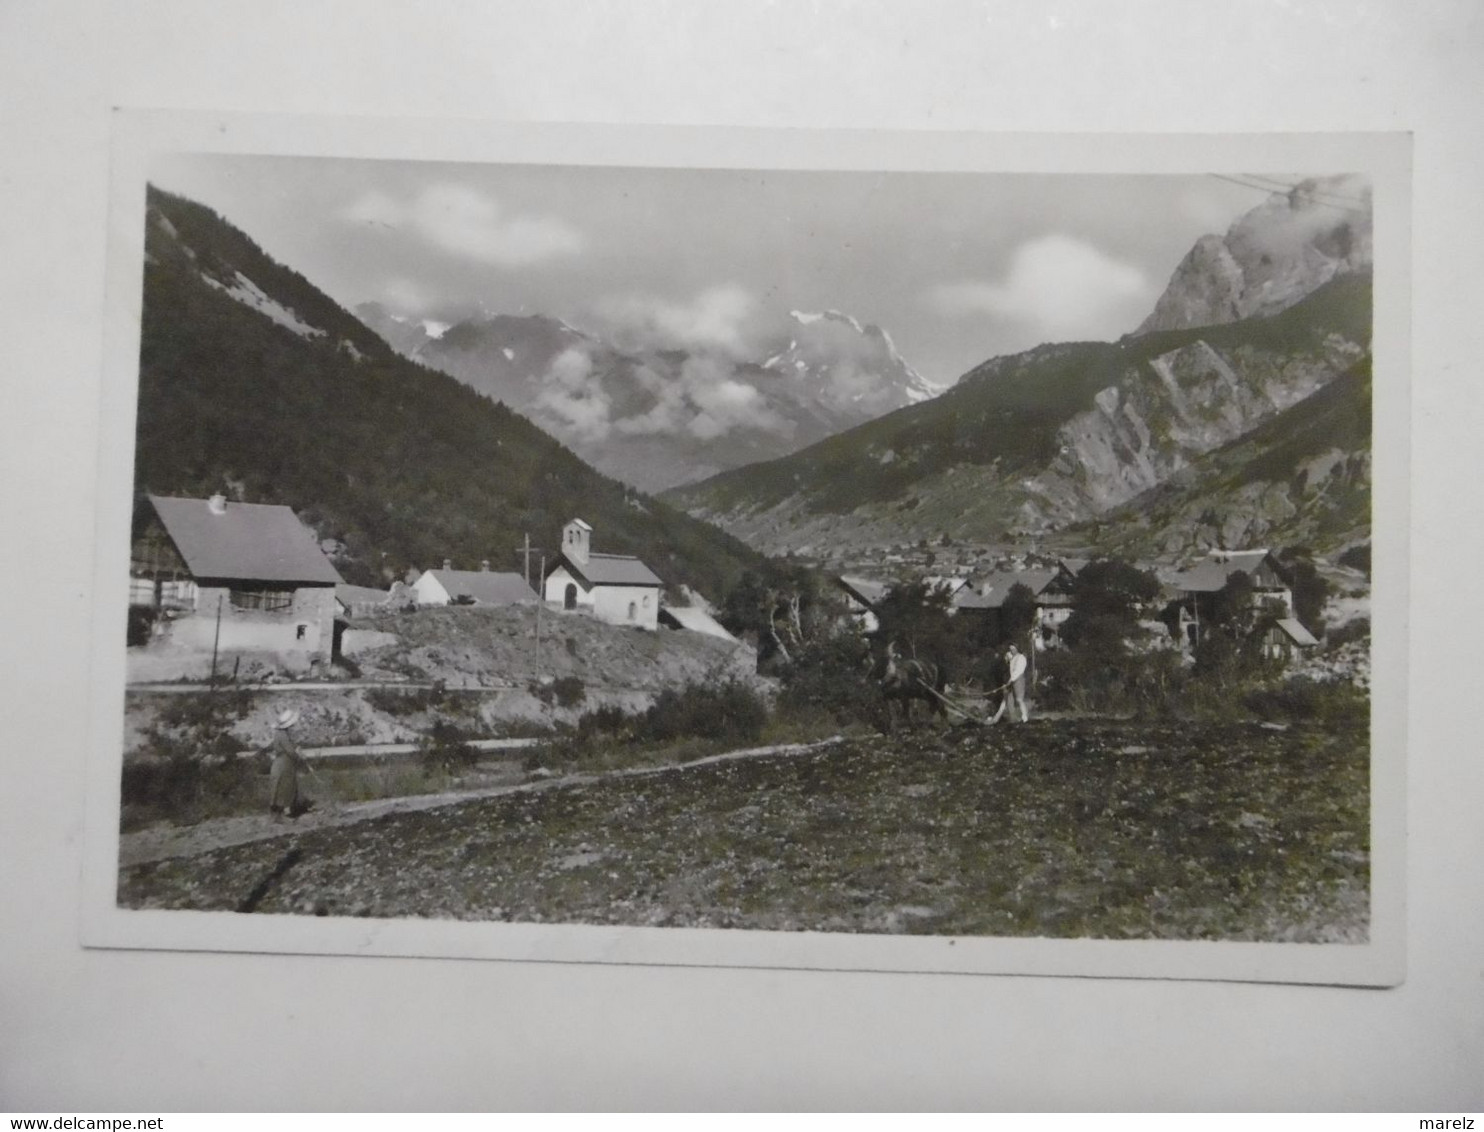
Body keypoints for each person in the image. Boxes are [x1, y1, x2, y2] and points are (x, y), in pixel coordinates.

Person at [267, 708, 309, 821]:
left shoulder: (279, 734)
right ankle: (285, 813)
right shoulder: (283, 735)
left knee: (277, 786)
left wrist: (296, 748)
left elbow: (290, 746)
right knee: (286, 787)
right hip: (285, 763)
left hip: (280, 762)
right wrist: (299, 758)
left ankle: (275, 813)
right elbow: (290, 750)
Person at [991, 643, 1030, 724]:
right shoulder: (1011, 657)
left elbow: (1018, 671)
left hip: (1018, 679)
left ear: (1017, 648)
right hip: (1011, 679)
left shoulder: (1021, 658)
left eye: (1014, 648)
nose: (1012, 650)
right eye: (1011, 649)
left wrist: (1010, 680)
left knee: (1019, 699)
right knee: (1007, 699)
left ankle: (1025, 717)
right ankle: (1012, 718)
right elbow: (1006, 659)